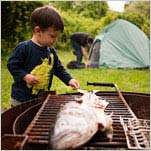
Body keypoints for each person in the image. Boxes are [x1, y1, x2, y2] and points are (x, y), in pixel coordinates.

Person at [7, 5, 80, 107]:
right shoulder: (24, 48)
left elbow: (58, 69)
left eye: (56, 37)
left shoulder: (51, 52)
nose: (54, 40)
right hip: (21, 100)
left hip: (41, 98)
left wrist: (69, 80)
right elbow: (12, 65)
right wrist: (25, 76)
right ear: (38, 31)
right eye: (52, 36)